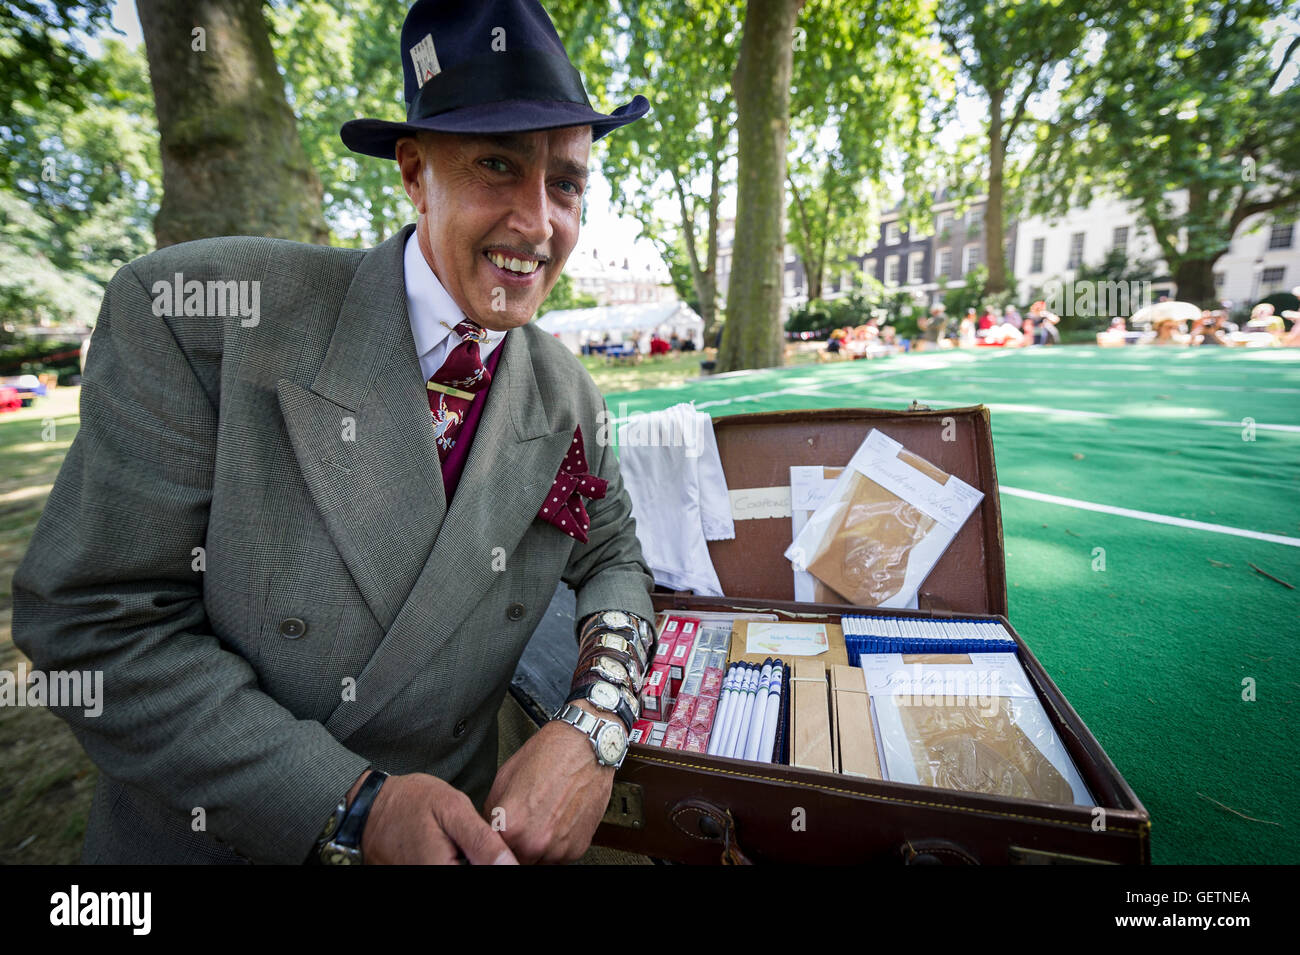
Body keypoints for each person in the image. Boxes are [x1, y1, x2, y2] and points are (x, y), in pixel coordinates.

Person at [12, 0, 658, 866]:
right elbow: (93, 630)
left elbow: (612, 555)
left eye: (567, 181)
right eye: (497, 166)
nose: (539, 222)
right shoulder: (198, 319)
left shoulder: (569, 393)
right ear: (414, 171)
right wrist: (348, 806)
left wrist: (596, 722)